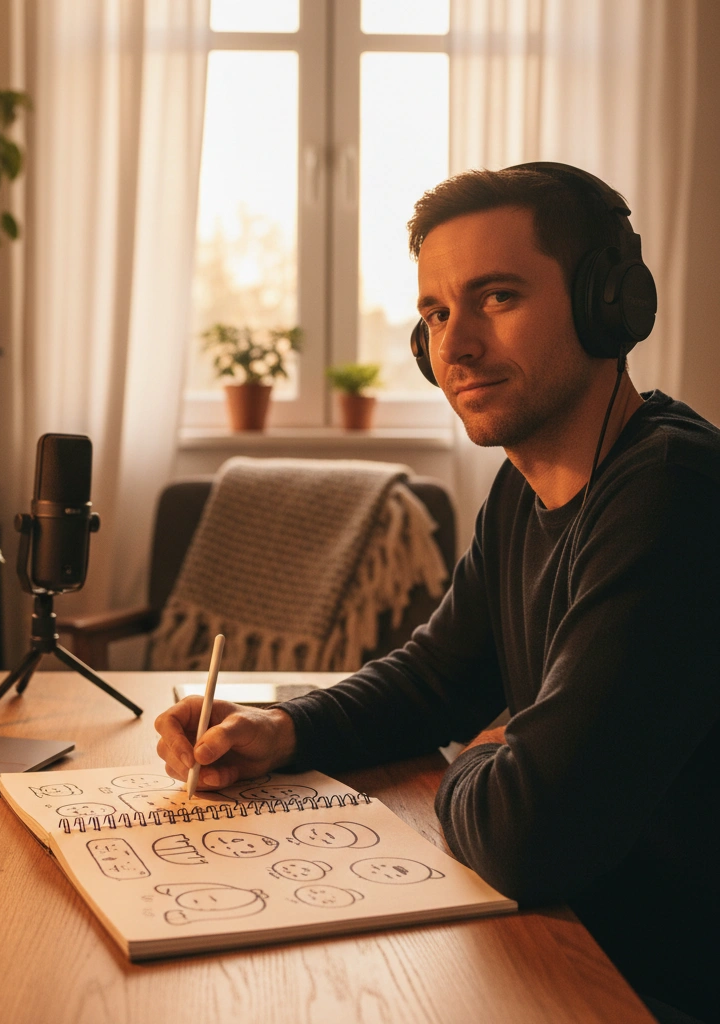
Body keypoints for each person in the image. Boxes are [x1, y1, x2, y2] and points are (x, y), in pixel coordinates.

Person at [155, 164, 719, 1023]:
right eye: (436, 313)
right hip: (563, 940)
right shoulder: (524, 489)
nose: (454, 347)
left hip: (651, 982)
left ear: (611, 304)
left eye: (497, 297)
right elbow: (434, 678)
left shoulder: (674, 493)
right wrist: (287, 727)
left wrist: (478, 758)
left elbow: (532, 833)